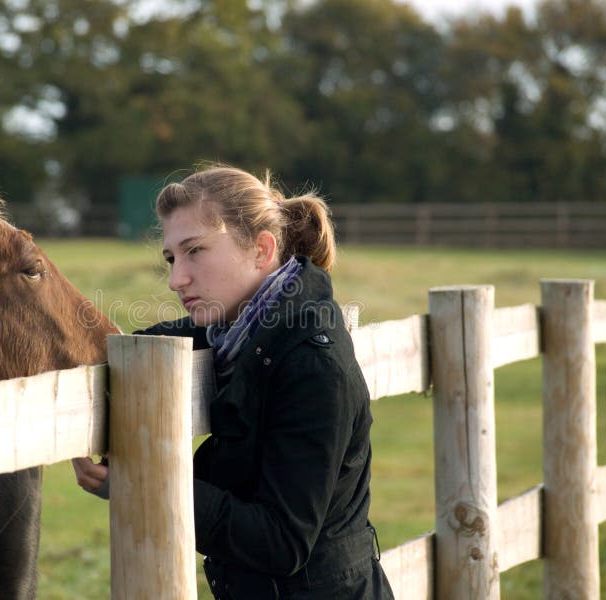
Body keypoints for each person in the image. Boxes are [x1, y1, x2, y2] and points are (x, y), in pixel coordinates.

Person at [72, 165, 393, 599]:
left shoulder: (312, 362)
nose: (175, 279)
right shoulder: (235, 331)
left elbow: (282, 543)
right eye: (171, 258)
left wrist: (142, 482)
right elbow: (130, 348)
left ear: (261, 250)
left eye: (195, 251)